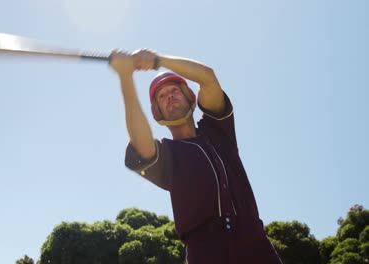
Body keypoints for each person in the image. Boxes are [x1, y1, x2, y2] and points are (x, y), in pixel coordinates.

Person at [110, 49, 283, 264]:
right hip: (205, 250)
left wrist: (157, 60)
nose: (169, 96)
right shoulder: (167, 154)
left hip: (255, 243)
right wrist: (125, 77)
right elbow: (142, 145)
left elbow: (208, 78)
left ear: (189, 96)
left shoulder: (218, 130)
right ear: (158, 112)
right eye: (162, 97)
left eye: (174, 90)